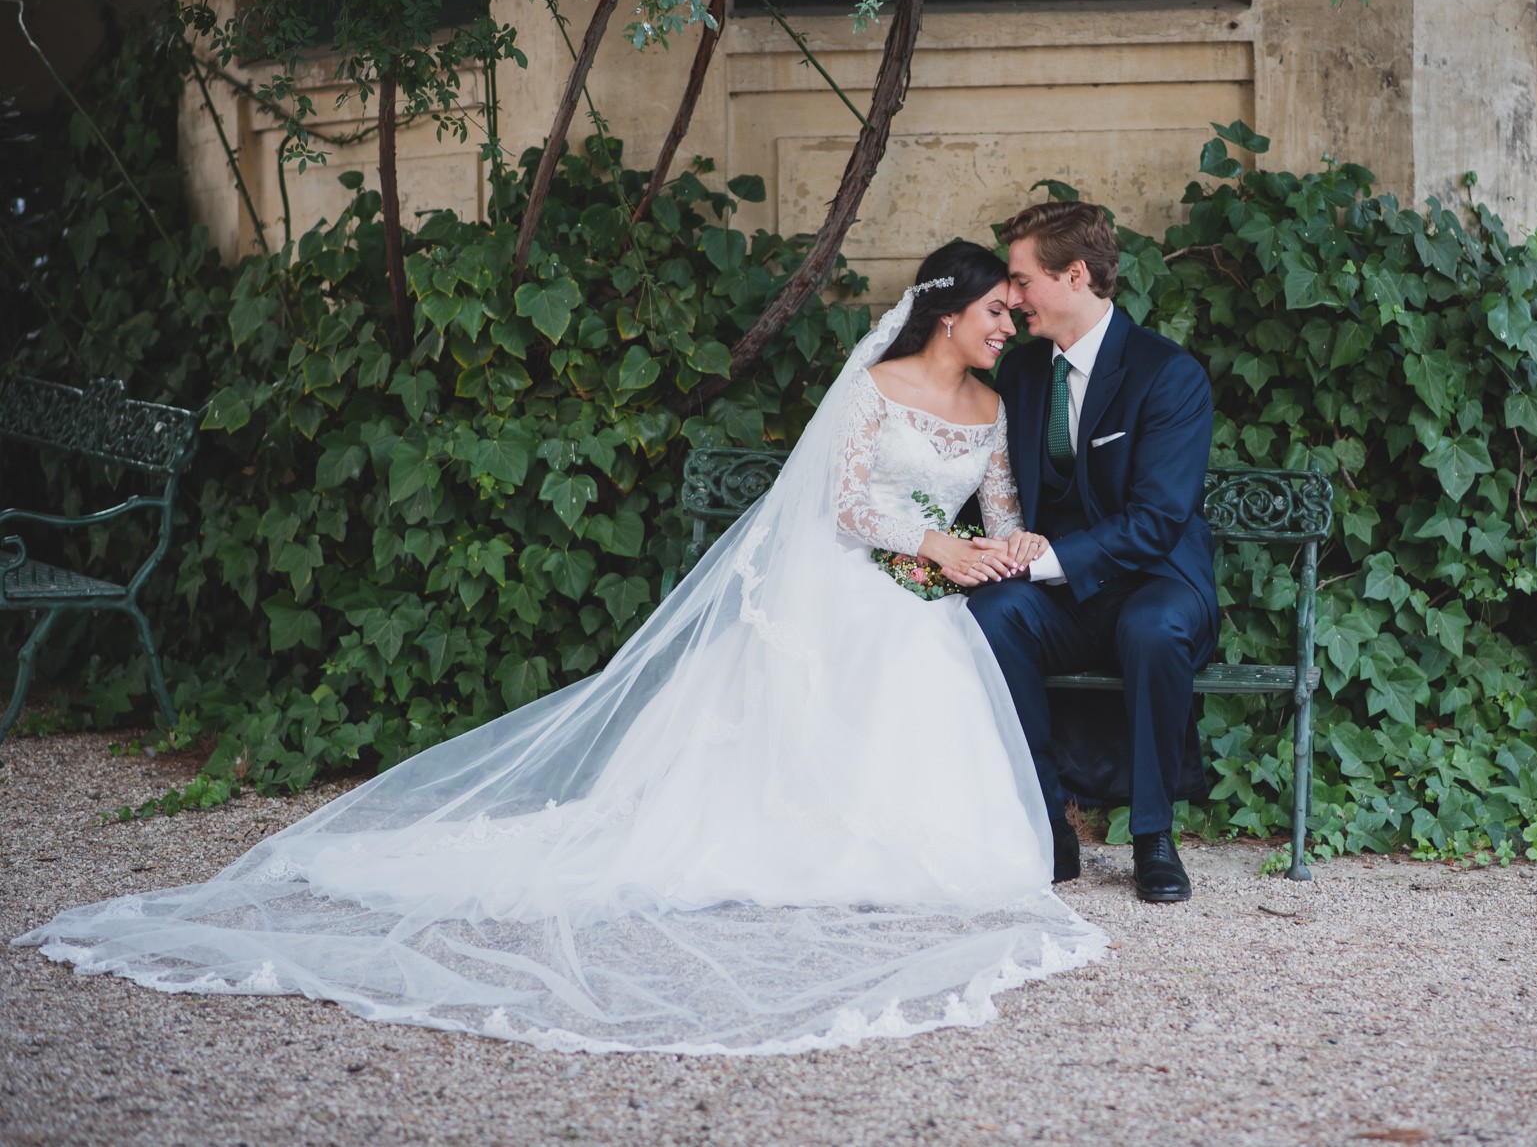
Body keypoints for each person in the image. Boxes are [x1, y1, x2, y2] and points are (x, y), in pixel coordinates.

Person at [14, 241, 1106, 1055]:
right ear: (945, 312)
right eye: (994, 312)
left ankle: (912, 840)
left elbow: (1002, 511)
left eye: (1010, 314)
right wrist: (929, 545)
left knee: (933, 653)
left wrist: (999, 549)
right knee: (879, 647)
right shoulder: (871, 390)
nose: (1006, 327)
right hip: (852, 573)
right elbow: (843, 503)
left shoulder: (990, 406)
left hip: (925, 584)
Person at [967, 202, 1219, 905]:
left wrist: (1046, 559)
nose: (1012, 298)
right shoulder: (1021, 374)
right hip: (1066, 599)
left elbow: (1157, 520)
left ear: (1074, 275)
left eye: (1022, 281)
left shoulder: (1167, 375)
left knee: (1153, 627)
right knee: (992, 614)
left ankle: (1154, 836)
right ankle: (1048, 824)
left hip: (1156, 580)